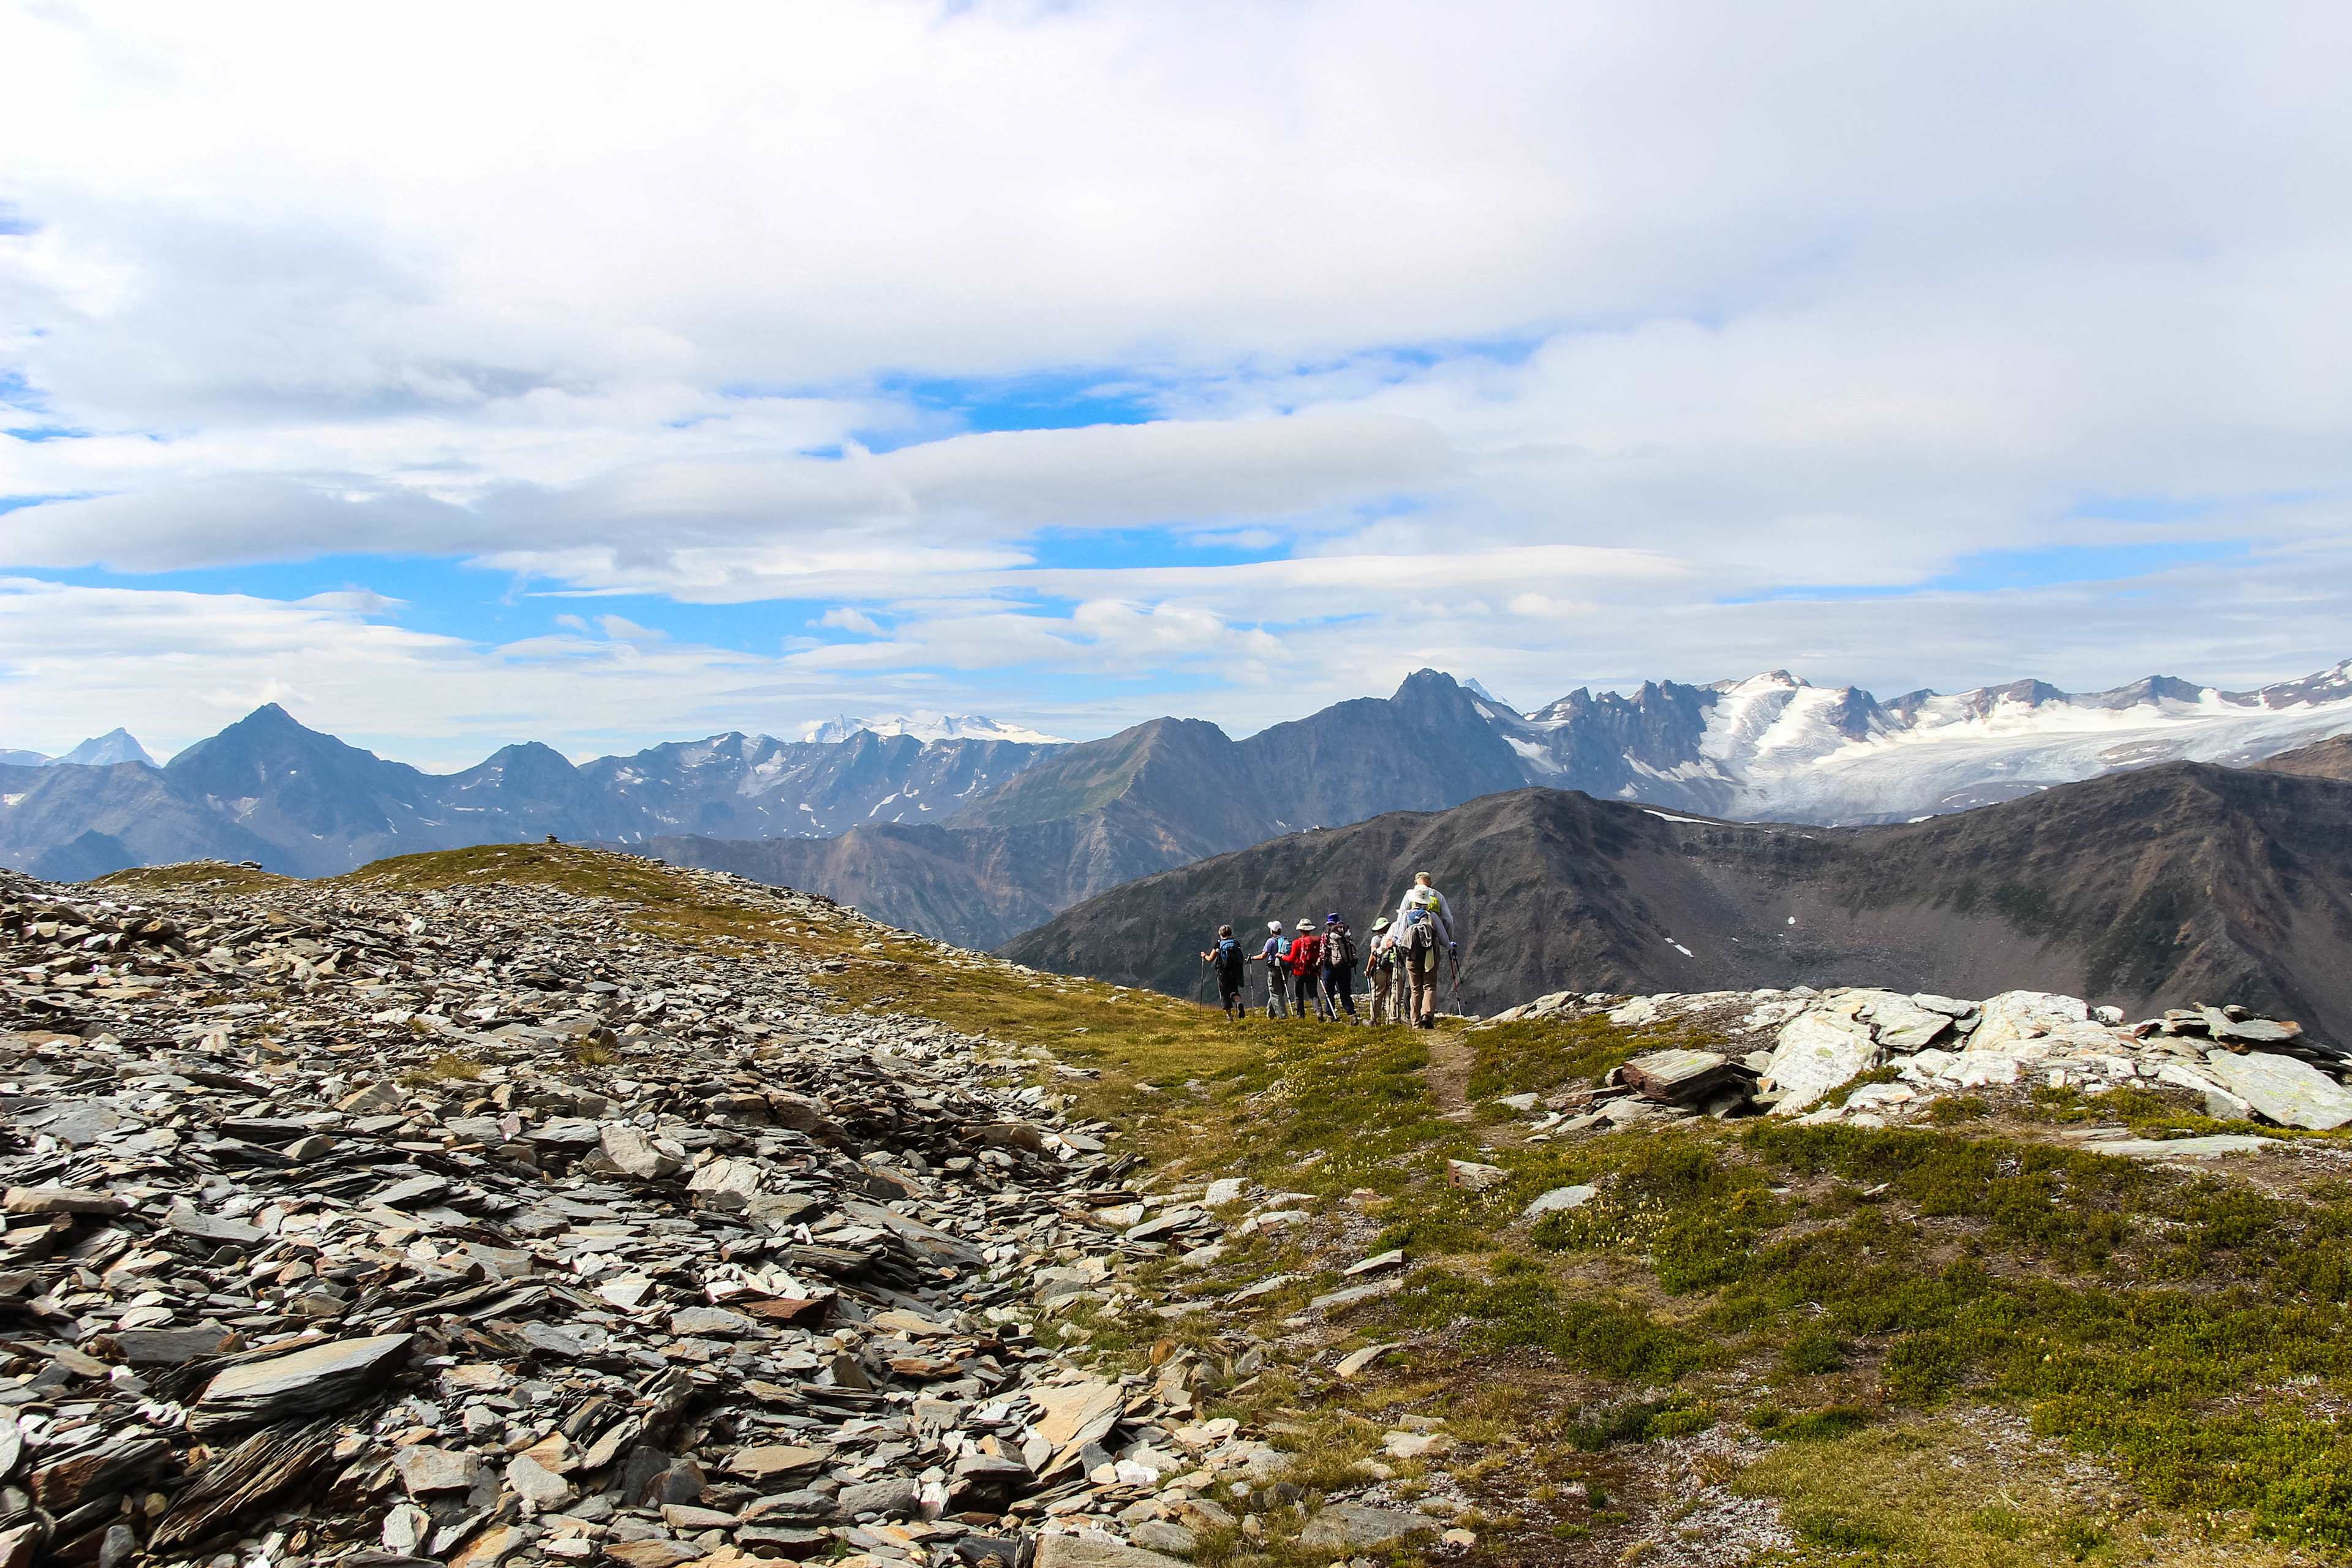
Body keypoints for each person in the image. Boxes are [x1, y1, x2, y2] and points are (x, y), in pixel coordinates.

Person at [1400, 905, 1444, 1027]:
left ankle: (1416, 1023)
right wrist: (1449, 946)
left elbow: (1400, 938)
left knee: (1415, 990)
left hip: (1412, 958)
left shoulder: (1407, 916)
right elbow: (1442, 935)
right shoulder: (1432, 916)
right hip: (1429, 956)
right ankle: (1427, 1015)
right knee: (1430, 987)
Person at [1200, 924, 1246, 1019]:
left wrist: (1204, 955)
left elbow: (1210, 959)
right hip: (1235, 972)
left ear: (1220, 934)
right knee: (1234, 990)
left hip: (1223, 973)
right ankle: (1239, 1002)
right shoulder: (1236, 943)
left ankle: (1229, 1017)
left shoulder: (1219, 944)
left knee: (1225, 993)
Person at [1286, 918, 1327, 1020]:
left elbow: (1291, 958)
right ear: (1310, 930)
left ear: (1300, 930)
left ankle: (1301, 1015)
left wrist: (1281, 956)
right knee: (1313, 993)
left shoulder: (1297, 943)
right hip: (1312, 971)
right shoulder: (1318, 941)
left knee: (1299, 994)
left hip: (1299, 972)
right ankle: (1318, 1012)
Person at [1321, 913, 1357, 1020]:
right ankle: (1352, 1015)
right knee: (1345, 991)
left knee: (1330, 991)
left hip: (1331, 967)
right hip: (1346, 966)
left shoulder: (1326, 934)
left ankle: (1330, 1015)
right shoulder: (1346, 933)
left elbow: (1323, 952)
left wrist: (1319, 965)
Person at [1251, 921, 1290, 1018]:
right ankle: (1271, 1014)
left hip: (1274, 969)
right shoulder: (1285, 940)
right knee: (1279, 991)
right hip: (1285, 968)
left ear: (1272, 931)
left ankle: (1283, 1016)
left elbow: (1263, 956)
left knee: (1274, 991)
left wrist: (1252, 958)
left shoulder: (1271, 941)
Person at [1364, 915, 1395, 1025]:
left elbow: (1374, 955)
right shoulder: (1393, 938)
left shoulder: (1376, 939)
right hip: (1392, 970)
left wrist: (1368, 969)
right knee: (1390, 995)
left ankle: (1374, 1020)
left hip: (1379, 971)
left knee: (1377, 995)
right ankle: (1391, 1019)